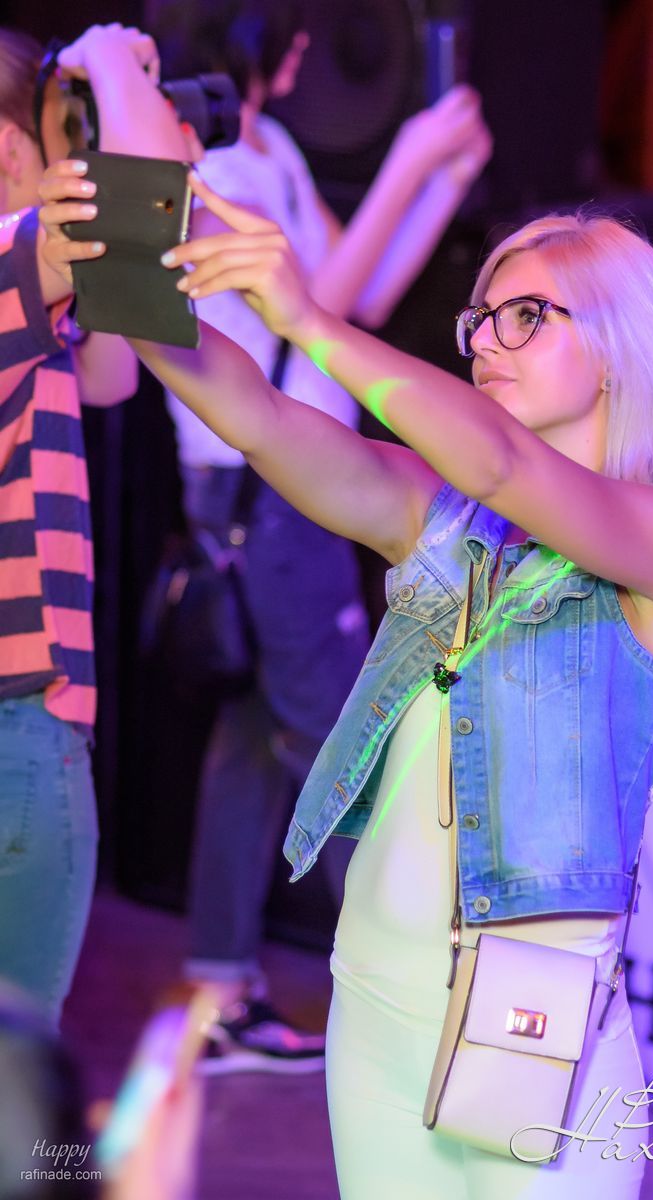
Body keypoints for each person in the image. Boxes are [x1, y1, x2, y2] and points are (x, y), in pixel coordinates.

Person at [40, 165, 653, 1197]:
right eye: (481, 319)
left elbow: (501, 464)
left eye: (526, 317)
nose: (486, 342)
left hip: (531, 1033)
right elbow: (259, 417)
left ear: (620, 347)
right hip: (370, 997)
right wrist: (126, 279)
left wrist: (309, 317)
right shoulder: (440, 513)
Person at [150, 0, 492, 1071]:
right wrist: (408, 157)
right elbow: (303, 305)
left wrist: (442, 179)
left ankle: (219, 994)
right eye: (293, 33)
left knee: (256, 746)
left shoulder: (273, 149)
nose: (305, 51)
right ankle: (405, 1017)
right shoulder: (204, 162)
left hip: (287, 488)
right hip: (261, 493)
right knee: (352, 743)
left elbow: (357, 300)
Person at [0, 23, 188, 1028]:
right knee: (23, 1089)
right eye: (62, 137)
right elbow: (141, 228)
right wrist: (114, 65)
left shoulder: (26, 298)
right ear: (12, 150)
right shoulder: (8, 259)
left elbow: (112, 369)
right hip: (16, 726)